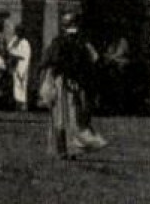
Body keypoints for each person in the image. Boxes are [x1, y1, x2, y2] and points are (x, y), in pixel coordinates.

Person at [43, 12, 106, 159]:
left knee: (59, 116)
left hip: (60, 80)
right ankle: (74, 149)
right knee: (74, 116)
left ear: (64, 25)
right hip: (76, 83)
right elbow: (95, 59)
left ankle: (61, 150)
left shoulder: (58, 41)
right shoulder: (83, 42)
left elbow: (50, 60)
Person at [8, 22, 33, 111]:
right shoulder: (14, 41)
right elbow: (9, 49)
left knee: (23, 84)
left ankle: (23, 104)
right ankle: (17, 102)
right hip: (15, 65)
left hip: (22, 65)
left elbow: (25, 56)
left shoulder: (25, 43)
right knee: (16, 84)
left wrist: (14, 55)